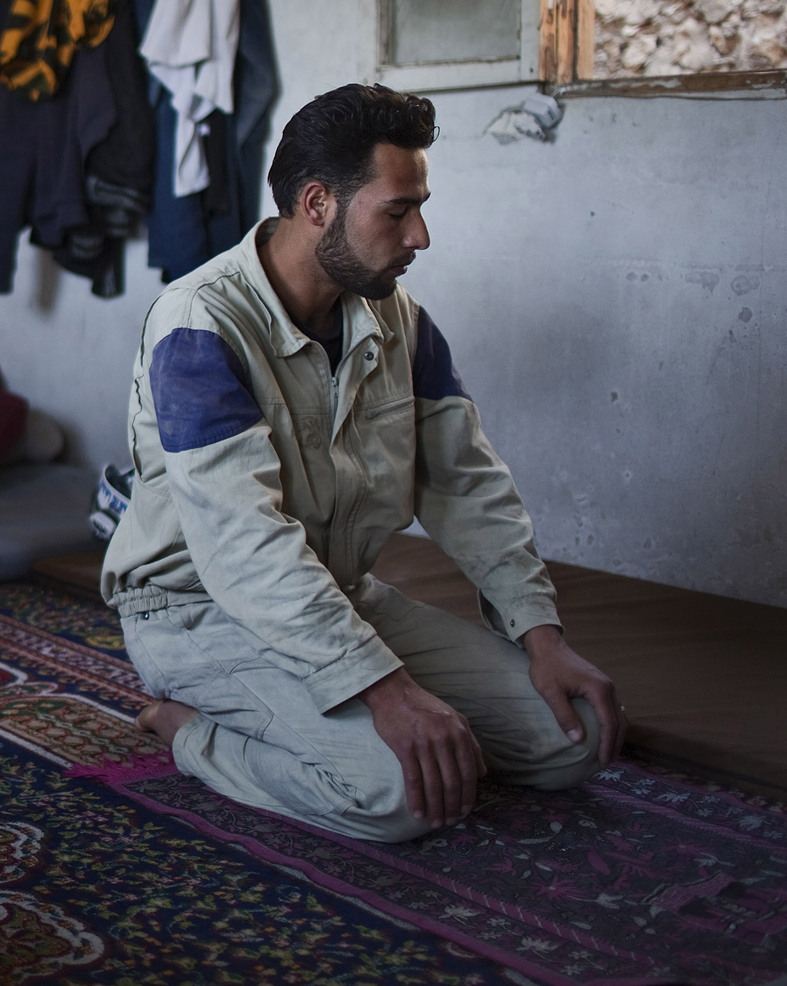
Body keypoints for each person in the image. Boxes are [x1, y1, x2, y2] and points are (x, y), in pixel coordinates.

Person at [104, 83, 625, 842]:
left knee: (575, 735)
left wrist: (541, 637)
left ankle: (354, 718)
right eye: (397, 211)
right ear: (318, 203)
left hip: (340, 596)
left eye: (420, 208)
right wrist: (385, 691)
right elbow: (244, 545)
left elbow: (468, 485)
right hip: (196, 611)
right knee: (400, 795)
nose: (421, 236)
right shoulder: (200, 327)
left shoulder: (401, 321)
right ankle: (190, 731)